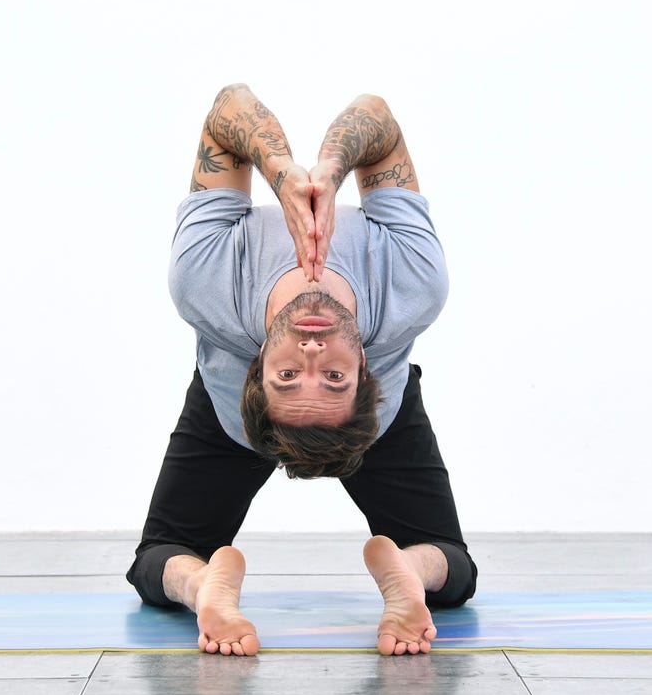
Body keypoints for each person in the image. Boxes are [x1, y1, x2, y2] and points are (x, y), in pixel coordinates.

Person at [126, 84, 476, 656]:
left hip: (266, 411)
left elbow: (226, 112)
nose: (312, 359)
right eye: (332, 378)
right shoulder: (413, 284)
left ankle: (404, 573)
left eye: (288, 376)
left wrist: (282, 169)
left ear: (257, 366)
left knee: (161, 552)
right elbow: (377, 119)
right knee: (452, 560)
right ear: (363, 369)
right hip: (251, 412)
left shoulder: (204, 281)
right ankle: (204, 587)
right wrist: (316, 176)